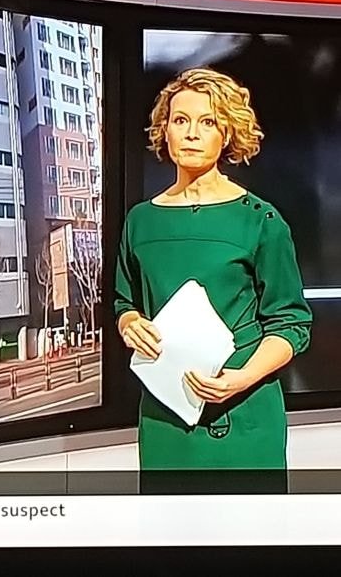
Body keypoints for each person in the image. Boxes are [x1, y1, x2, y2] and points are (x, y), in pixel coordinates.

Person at [114, 68, 313, 484]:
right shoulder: (140, 221)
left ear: (227, 134)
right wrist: (130, 323)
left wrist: (242, 378)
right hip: (166, 420)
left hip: (244, 417)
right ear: (164, 130)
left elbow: (291, 324)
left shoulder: (261, 221)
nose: (191, 133)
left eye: (207, 122)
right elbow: (124, 302)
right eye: (180, 120)